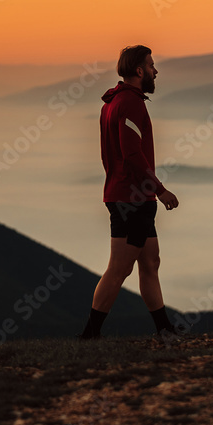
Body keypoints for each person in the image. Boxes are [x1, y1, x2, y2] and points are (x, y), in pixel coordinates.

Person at [79, 45, 179, 341]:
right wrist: (159, 190)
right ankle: (90, 336)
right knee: (119, 269)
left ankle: (164, 331)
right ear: (139, 71)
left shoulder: (110, 104)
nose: (155, 71)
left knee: (150, 262)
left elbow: (108, 155)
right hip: (133, 200)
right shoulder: (131, 104)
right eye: (151, 66)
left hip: (121, 194)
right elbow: (133, 154)